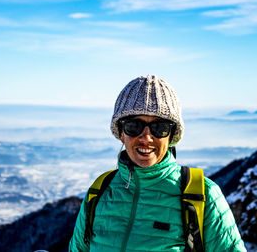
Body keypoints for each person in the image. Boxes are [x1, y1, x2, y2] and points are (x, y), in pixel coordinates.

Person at [69, 75, 246, 251]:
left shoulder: (203, 195)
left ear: (171, 136)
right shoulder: (100, 191)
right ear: (121, 133)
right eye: (133, 126)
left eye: (159, 128)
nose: (146, 137)